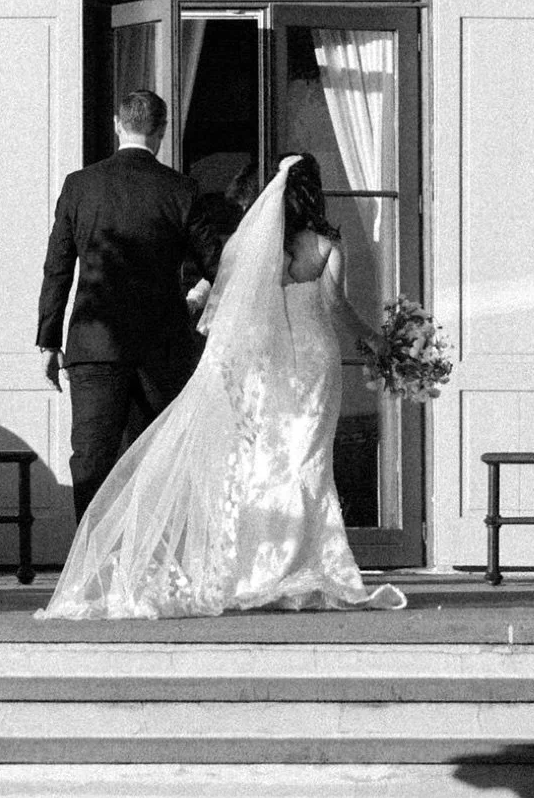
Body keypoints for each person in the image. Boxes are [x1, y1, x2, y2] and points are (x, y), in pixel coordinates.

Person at [41, 151, 406, 620]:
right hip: (315, 363)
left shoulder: (246, 245)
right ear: (314, 192)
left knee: (260, 461)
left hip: (263, 365)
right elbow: (337, 307)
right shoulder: (326, 244)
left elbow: (222, 300)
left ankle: (257, 566)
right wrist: (378, 341)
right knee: (307, 460)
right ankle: (304, 564)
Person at [37, 86, 207, 529]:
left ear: (117, 124)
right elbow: (218, 263)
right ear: (163, 131)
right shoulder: (181, 189)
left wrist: (48, 340)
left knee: (92, 459)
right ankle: (153, 559)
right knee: (159, 454)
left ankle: (91, 562)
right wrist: (194, 301)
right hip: (162, 348)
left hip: (95, 345)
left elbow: (58, 266)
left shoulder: (80, 186)